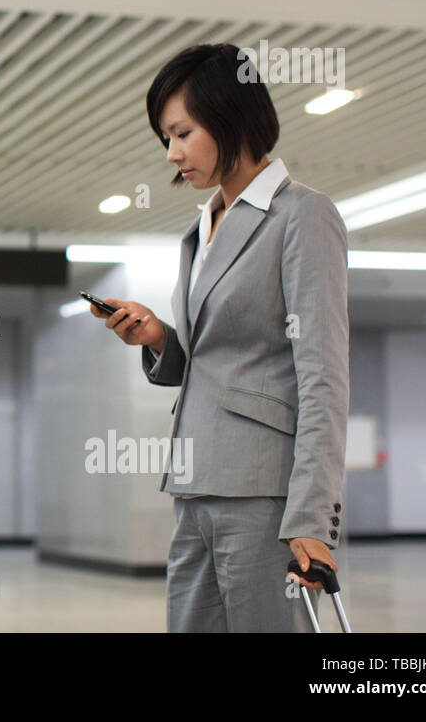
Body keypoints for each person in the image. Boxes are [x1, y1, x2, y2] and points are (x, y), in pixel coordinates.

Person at [91, 42, 349, 632]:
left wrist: (311, 515)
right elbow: (220, 357)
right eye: (166, 139)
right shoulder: (203, 226)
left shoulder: (302, 217)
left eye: (183, 133)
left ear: (232, 117)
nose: (173, 153)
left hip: (265, 496)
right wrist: (160, 338)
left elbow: (324, 375)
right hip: (194, 483)